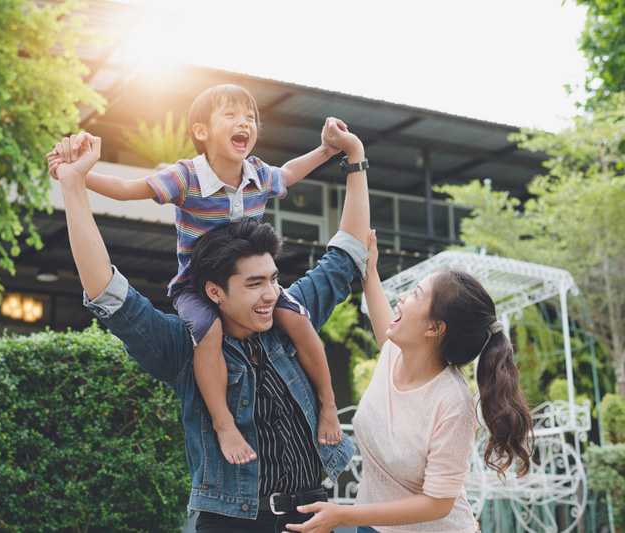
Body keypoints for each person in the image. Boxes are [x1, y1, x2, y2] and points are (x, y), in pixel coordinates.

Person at [52, 119, 368, 532]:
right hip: (231, 521)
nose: (270, 294)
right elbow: (109, 293)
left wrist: (355, 159)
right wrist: (75, 184)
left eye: (273, 279)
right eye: (254, 284)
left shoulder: (289, 318)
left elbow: (346, 256)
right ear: (215, 292)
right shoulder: (185, 346)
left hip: (313, 516)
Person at [283, 184, 534, 531]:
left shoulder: (452, 402)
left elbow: (438, 503)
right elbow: (383, 317)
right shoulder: (396, 353)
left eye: (416, 293)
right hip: (370, 527)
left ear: (434, 328)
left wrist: (344, 514)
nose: (402, 296)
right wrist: (369, 272)